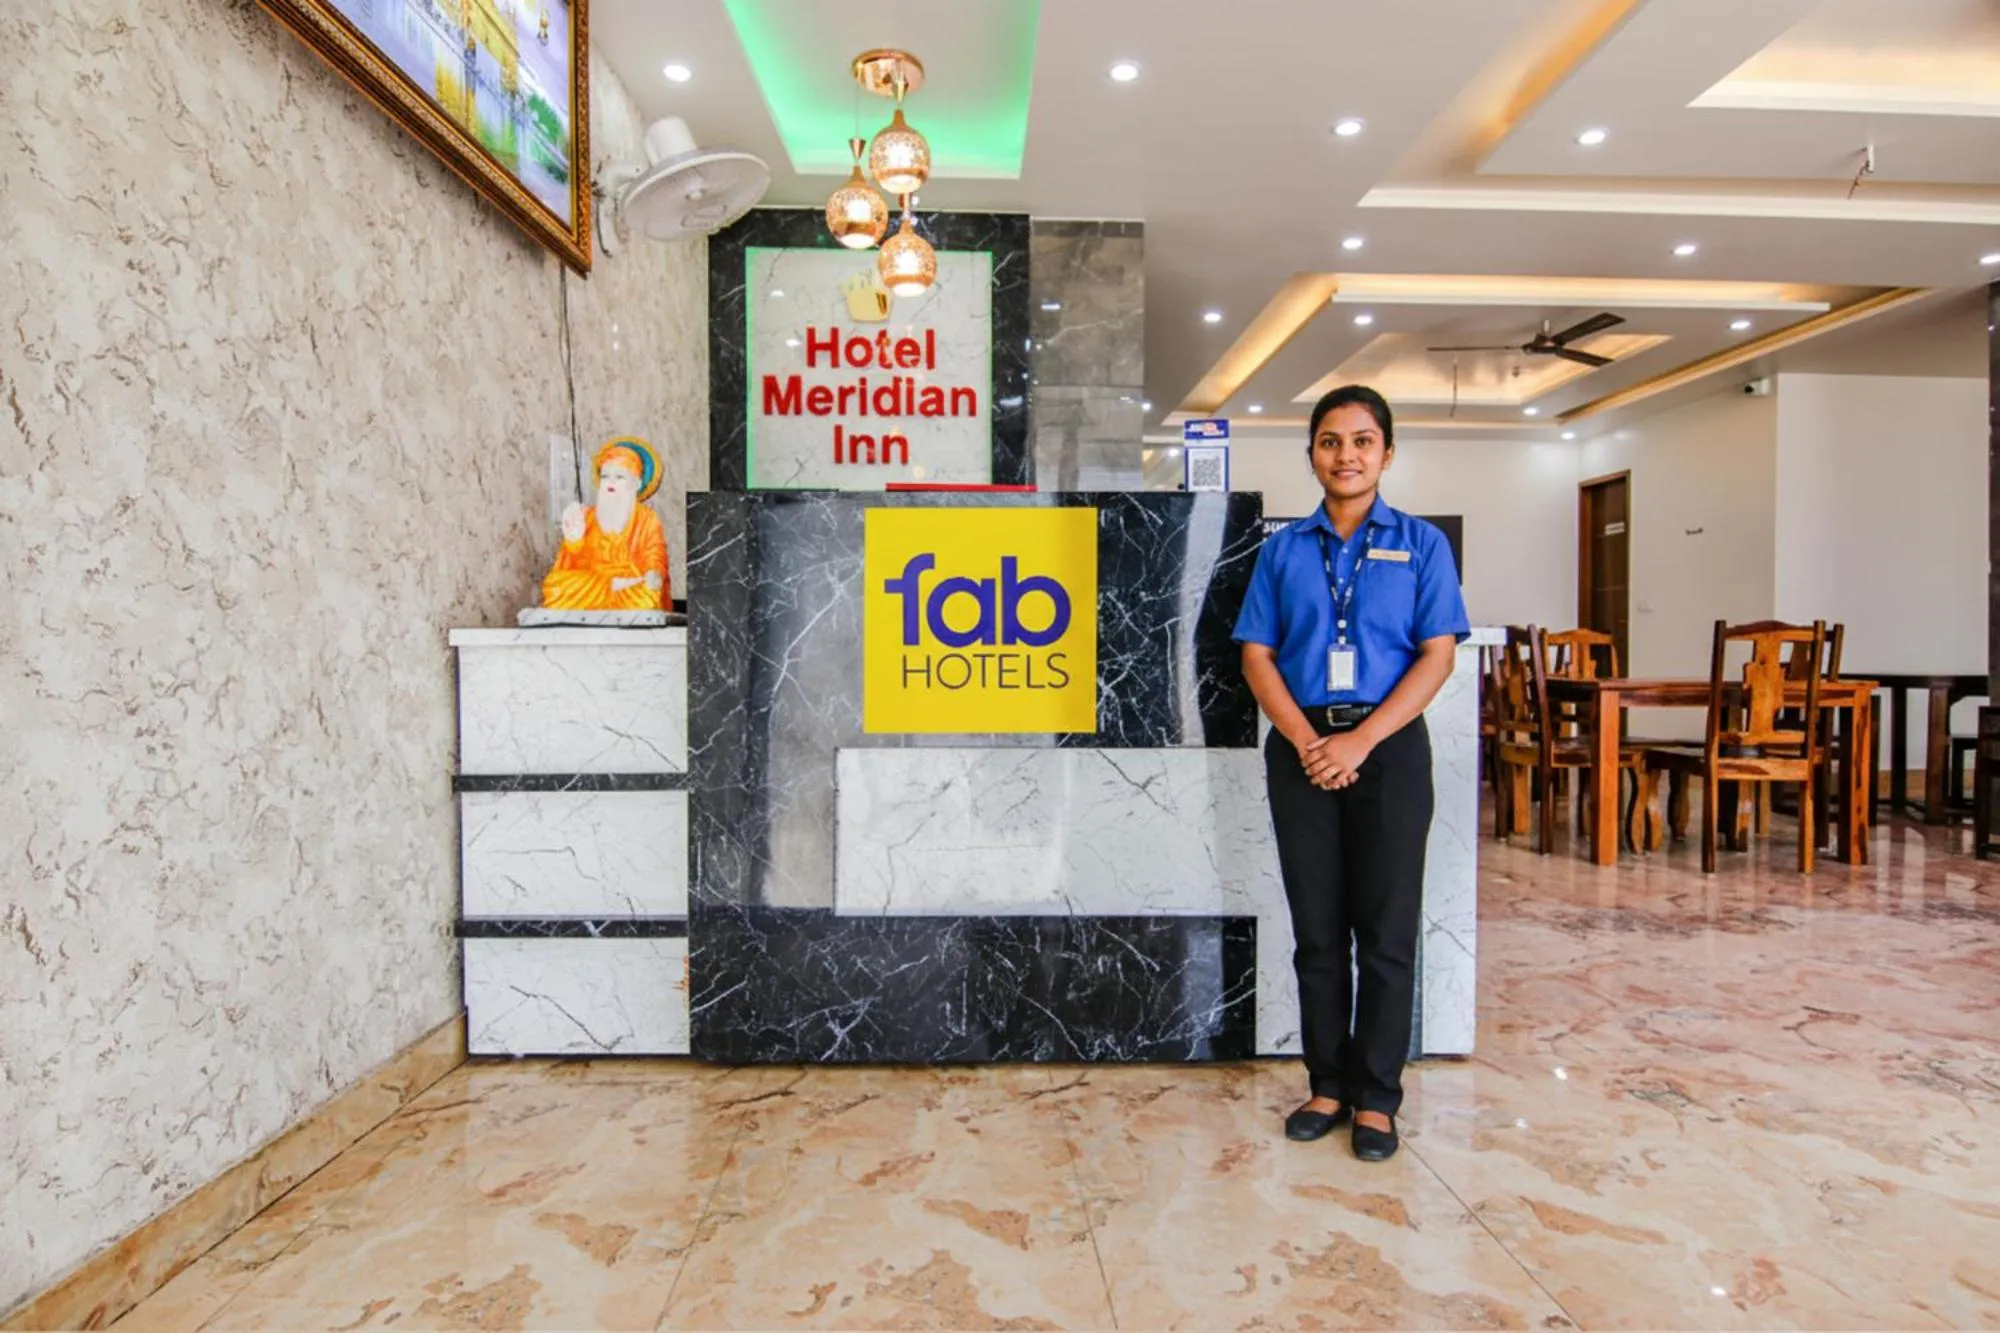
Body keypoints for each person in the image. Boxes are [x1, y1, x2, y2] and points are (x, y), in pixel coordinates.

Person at [1232, 385, 1470, 1161]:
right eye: (1331, 441)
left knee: (1388, 931)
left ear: (1387, 452)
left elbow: (1437, 654)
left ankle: (1377, 1095)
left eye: (1362, 441)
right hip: (1302, 750)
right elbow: (1256, 654)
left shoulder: (1423, 544)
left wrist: (1361, 741)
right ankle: (1327, 1081)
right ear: (1312, 454)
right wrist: (1308, 741)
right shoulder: (1282, 550)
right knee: (1317, 930)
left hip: (1390, 752)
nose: (1347, 455)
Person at [541, 438, 670, 612]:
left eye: (619, 477)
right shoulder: (587, 517)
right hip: (593, 584)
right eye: (605, 476)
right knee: (554, 586)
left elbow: (654, 555)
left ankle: (617, 592)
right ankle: (610, 591)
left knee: (647, 595)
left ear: (637, 483)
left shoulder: (647, 519)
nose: (611, 482)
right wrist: (574, 542)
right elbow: (571, 562)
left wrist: (654, 573)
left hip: (630, 585)